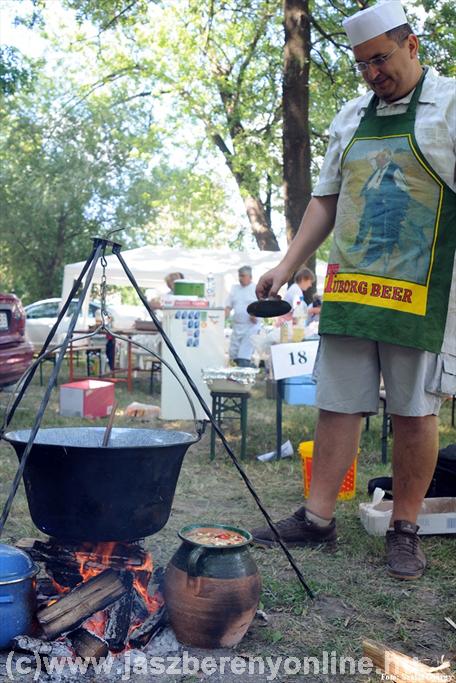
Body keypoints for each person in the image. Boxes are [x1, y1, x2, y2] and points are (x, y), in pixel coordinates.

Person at [251, 0, 456, 581]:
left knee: (415, 410)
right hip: (354, 284)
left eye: (381, 59)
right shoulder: (350, 115)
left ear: (412, 45)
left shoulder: (452, 106)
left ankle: (405, 527)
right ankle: (317, 520)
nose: (372, 74)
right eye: (362, 64)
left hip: (423, 292)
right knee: (338, 403)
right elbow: (327, 199)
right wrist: (289, 263)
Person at [225, 266, 260, 367]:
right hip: (237, 326)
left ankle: (243, 374)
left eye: (243, 276)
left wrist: (255, 315)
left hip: (251, 327)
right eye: (240, 276)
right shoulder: (235, 288)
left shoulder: (256, 289)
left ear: (250, 277)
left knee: (244, 355)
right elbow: (228, 306)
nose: (241, 278)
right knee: (233, 353)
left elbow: (261, 306)